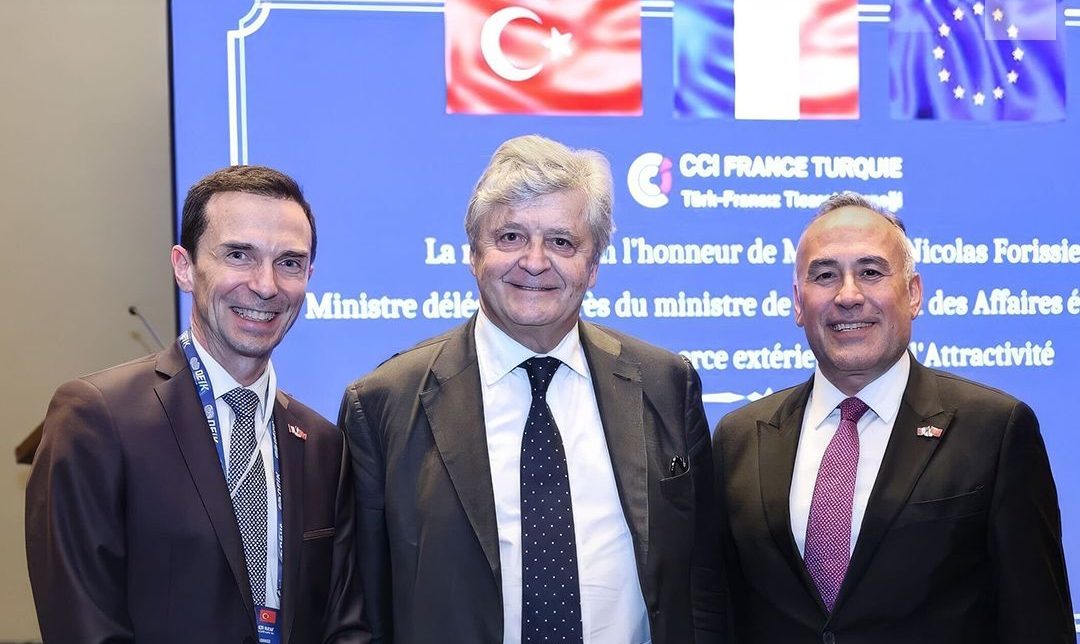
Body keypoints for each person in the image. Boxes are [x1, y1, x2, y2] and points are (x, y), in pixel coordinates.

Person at [339, 134, 723, 644]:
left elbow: (702, 587)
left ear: (593, 266)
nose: (535, 262)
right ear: (474, 254)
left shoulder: (666, 383)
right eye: (511, 237)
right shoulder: (383, 402)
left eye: (562, 242)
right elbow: (361, 612)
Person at [26, 165, 367, 643]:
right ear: (184, 267)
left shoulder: (323, 445)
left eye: (289, 262)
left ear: (308, 276)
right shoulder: (97, 419)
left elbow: (344, 625)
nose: (266, 285)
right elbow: (83, 626)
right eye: (238, 255)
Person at [714, 191, 1072, 643]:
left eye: (870, 272)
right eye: (825, 275)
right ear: (798, 303)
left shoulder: (995, 430)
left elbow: (1038, 623)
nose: (848, 295)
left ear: (913, 293)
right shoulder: (739, 439)